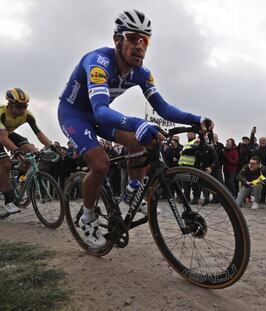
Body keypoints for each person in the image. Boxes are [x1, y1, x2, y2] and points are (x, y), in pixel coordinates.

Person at [57, 9, 213, 248]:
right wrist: (137, 123)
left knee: (147, 141)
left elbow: (162, 107)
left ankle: (132, 191)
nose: (140, 45)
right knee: (100, 164)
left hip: (100, 115)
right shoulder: (98, 62)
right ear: (117, 39)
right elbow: (100, 110)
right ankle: (87, 217)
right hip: (74, 114)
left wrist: (195, 119)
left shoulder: (142, 73)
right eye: (132, 37)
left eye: (145, 40)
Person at [0, 88, 55, 217]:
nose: (22, 110)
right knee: (6, 163)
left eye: (25, 106)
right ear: (10, 105)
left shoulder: (27, 115)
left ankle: (18, 181)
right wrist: (16, 151)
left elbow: (38, 133)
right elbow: (3, 138)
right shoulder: (2, 113)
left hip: (9, 134)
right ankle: (8, 200)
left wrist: (52, 146)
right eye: (19, 107)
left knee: (33, 152)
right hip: (1, 135)